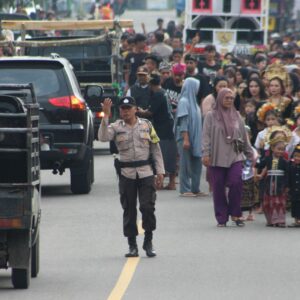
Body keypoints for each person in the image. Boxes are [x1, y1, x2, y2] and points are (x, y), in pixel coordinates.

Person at [98, 96, 165, 258]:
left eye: (128, 108)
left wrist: (160, 171)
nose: (125, 111)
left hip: (146, 172)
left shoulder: (146, 125)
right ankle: (132, 245)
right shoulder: (116, 127)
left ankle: (148, 240)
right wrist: (105, 116)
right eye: (122, 109)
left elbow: (155, 149)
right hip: (126, 173)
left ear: (135, 109)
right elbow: (102, 137)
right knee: (129, 209)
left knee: (147, 207)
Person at [202, 88, 253, 227]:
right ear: (220, 98)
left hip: (235, 155)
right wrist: (206, 153)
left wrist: (250, 154)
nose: (229, 100)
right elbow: (206, 136)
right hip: (216, 156)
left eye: (231, 98)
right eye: (227, 98)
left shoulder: (237, 115)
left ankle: (236, 214)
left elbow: (243, 136)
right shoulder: (211, 116)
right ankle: (221, 217)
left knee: (236, 182)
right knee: (218, 187)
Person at [137, 73, 177, 190]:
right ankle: (171, 182)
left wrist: (138, 111)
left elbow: (150, 113)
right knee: (170, 154)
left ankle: (161, 182)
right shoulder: (164, 92)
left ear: (150, 84)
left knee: (162, 154)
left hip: (163, 128)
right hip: (169, 126)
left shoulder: (158, 94)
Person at [175, 78, 204, 197]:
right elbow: (183, 122)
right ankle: (185, 188)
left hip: (195, 139)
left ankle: (195, 188)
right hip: (185, 137)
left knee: (197, 163)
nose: (197, 89)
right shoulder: (184, 101)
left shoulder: (194, 102)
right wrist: (186, 139)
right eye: (196, 86)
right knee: (185, 164)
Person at [258, 136, 289, 227]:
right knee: (269, 203)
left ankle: (280, 220)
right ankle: (271, 220)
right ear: (272, 148)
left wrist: (286, 185)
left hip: (280, 185)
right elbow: (259, 165)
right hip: (269, 185)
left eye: (282, 149)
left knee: (279, 203)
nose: (280, 151)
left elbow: (287, 174)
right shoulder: (267, 159)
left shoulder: (284, 162)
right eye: (278, 149)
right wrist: (260, 152)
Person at [288, 144, 300, 227]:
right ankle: (296, 220)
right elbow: (289, 178)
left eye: (299, 156)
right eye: (295, 156)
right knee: (295, 204)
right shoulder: (291, 167)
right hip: (294, 190)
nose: (297, 158)